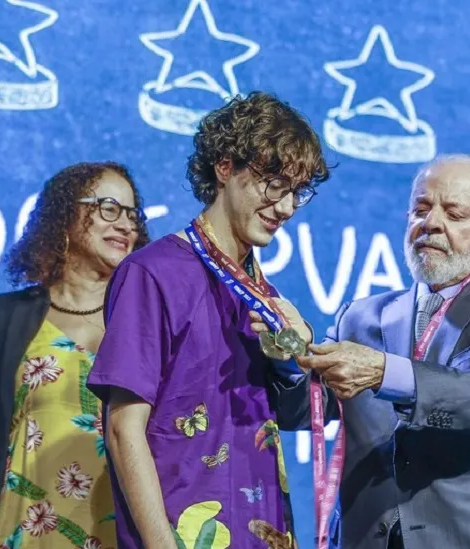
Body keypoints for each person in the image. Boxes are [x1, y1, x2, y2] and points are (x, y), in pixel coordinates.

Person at [252, 154, 470, 549]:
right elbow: (303, 412)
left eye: (454, 214)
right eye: (421, 208)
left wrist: (387, 374)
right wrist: (288, 354)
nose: (431, 223)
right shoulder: (360, 316)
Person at [86, 91, 330, 549]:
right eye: (274, 183)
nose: (286, 207)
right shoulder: (152, 272)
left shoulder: (265, 294)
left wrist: (297, 354)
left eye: (297, 192)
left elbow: (295, 415)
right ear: (225, 167)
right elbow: (123, 427)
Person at [0, 162, 150, 548]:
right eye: (109, 208)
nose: (126, 225)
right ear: (64, 216)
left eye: (132, 214)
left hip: (120, 532)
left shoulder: (150, 323)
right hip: (20, 531)